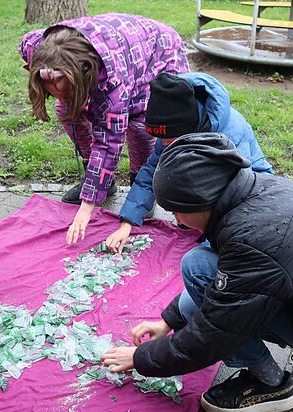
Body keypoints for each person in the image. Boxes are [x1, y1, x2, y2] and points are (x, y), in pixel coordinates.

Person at [101, 134, 293, 412]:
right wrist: (168, 321)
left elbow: (215, 332)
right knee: (203, 288)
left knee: (198, 268)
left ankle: (270, 383)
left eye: (177, 210)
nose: (176, 220)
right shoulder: (251, 190)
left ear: (202, 200)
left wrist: (141, 359)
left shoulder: (251, 239)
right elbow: (226, 290)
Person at [18, 13, 189, 245]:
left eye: (65, 90)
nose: (56, 92)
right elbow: (28, 43)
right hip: (114, 45)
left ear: (83, 75)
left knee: (139, 125)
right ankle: (102, 182)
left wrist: (86, 208)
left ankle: (140, 188)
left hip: (156, 52)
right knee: (65, 110)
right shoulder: (40, 49)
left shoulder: (113, 85)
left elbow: (108, 143)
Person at [104, 71, 273, 253]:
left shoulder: (229, 133)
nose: (165, 143)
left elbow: (235, 192)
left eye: (169, 139)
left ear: (187, 130)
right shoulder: (174, 130)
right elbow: (152, 170)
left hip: (254, 192)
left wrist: (212, 244)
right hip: (207, 179)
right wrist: (128, 222)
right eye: (162, 139)